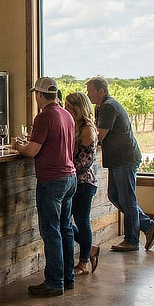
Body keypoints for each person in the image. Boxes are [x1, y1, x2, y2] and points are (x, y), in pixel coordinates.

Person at [13, 77, 77, 297]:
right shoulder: (67, 115)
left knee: (51, 232)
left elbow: (32, 151)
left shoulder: (44, 116)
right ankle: (68, 277)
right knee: (66, 228)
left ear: (39, 95)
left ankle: (54, 281)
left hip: (51, 179)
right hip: (70, 177)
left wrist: (18, 145)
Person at [85, 76, 154, 252]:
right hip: (119, 159)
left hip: (125, 158)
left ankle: (132, 240)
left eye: (90, 91)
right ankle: (148, 226)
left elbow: (99, 136)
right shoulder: (102, 107)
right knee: (115, 196)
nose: (88, 94)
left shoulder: (108, 107)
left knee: (127, 199)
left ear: (101, 91)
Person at [63, 91, 101, 275]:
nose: (65, 110)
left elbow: (85, 161)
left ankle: (84, 262)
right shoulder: (74, 126)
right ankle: (90, 248)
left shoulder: (87, 130)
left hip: (84, 182)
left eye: (69, 107)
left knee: (81, 221)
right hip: (74, 180)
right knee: (64, 221)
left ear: (78, 109)